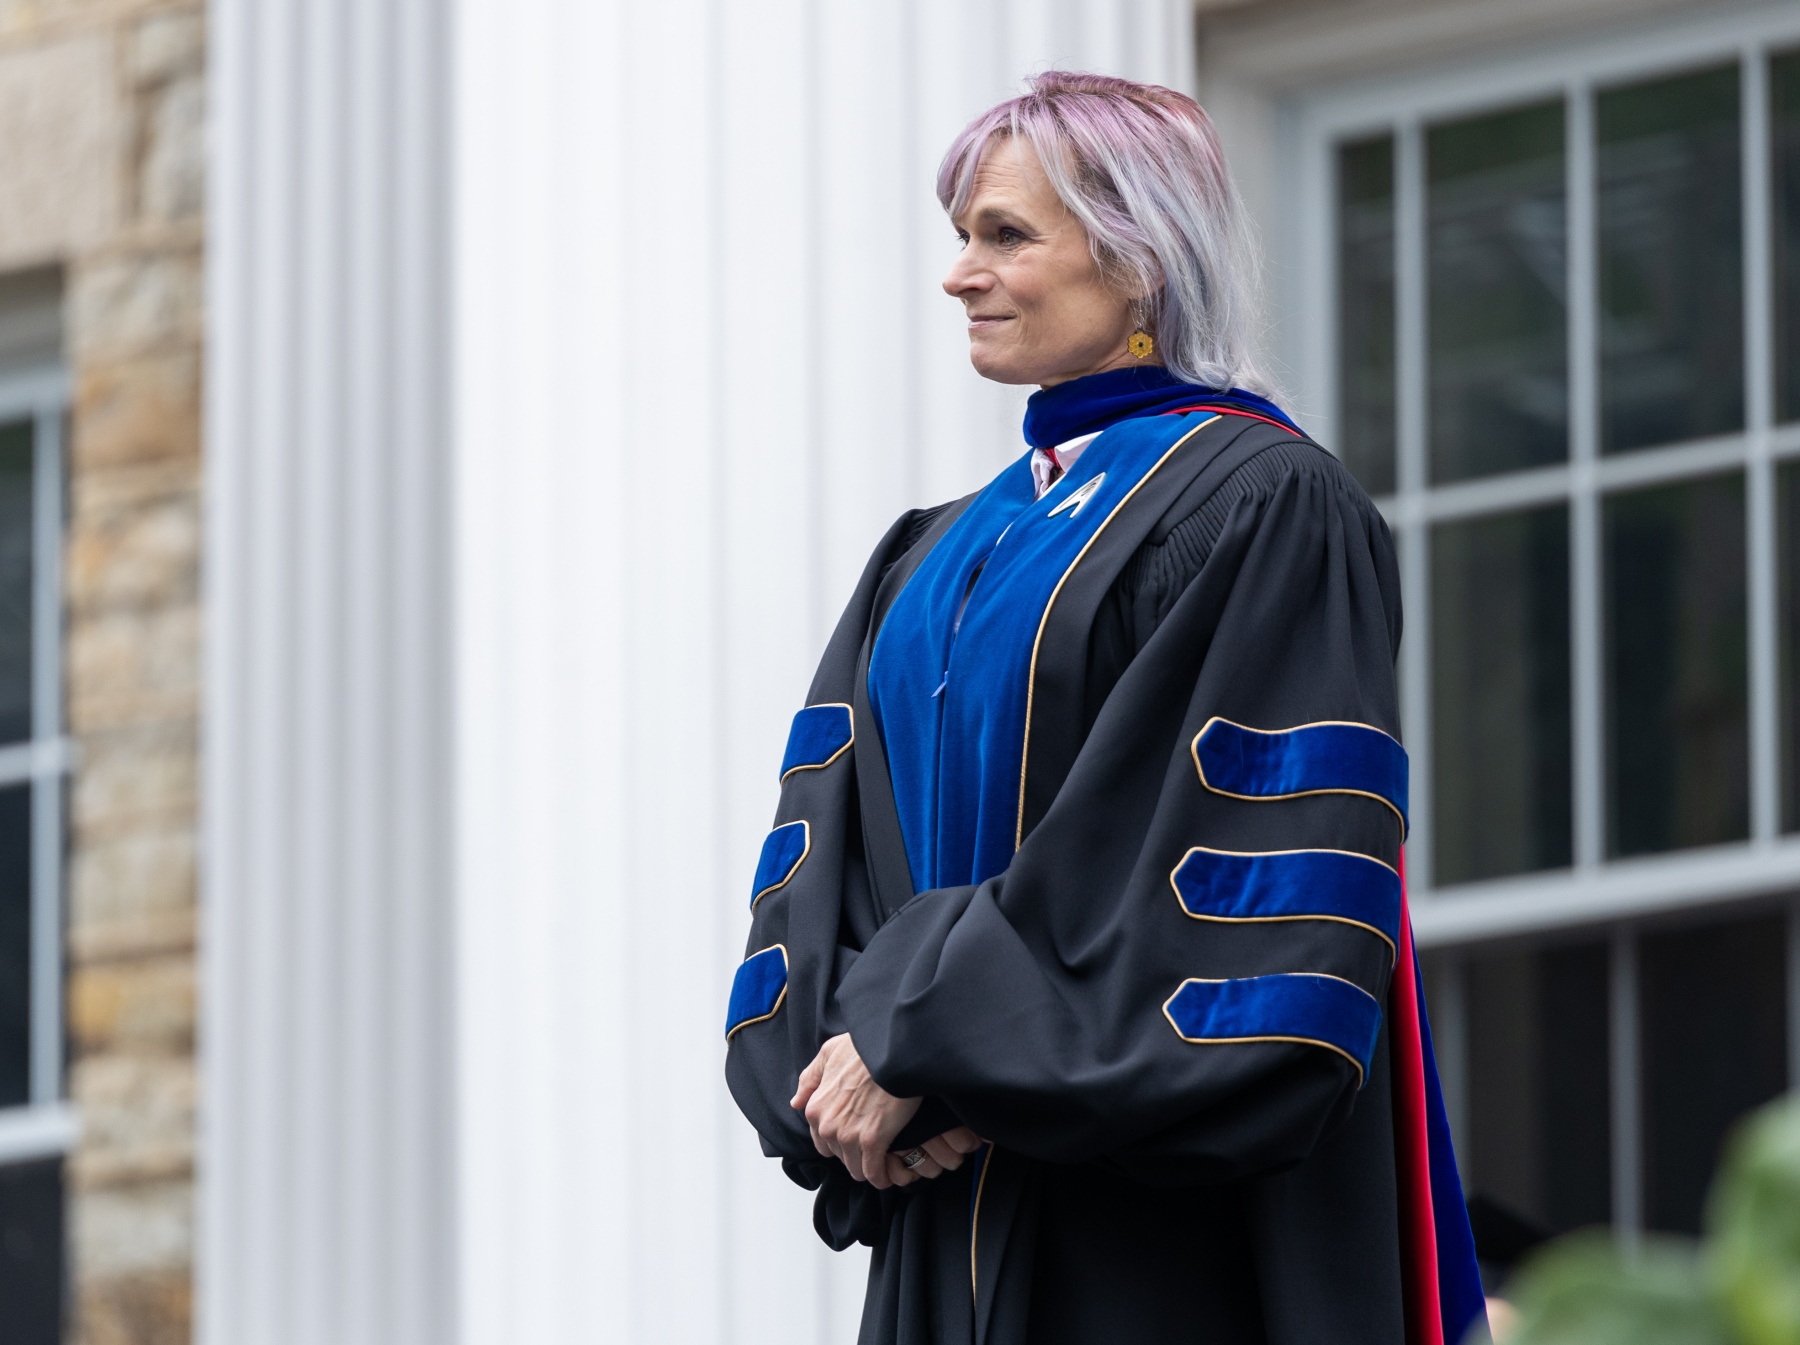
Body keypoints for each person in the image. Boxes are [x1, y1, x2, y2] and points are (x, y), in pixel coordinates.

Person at [724, 71, 1484, 1345]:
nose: (961, 273)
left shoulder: (1261, 502)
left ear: (1138, 262)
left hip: (1155, 1226)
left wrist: (923, 1040)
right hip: (942, 1219)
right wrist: (843, 1071)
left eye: (1005, 235)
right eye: (960, 236)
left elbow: (1218, 884)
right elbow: (822, 868)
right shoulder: (926, 560)